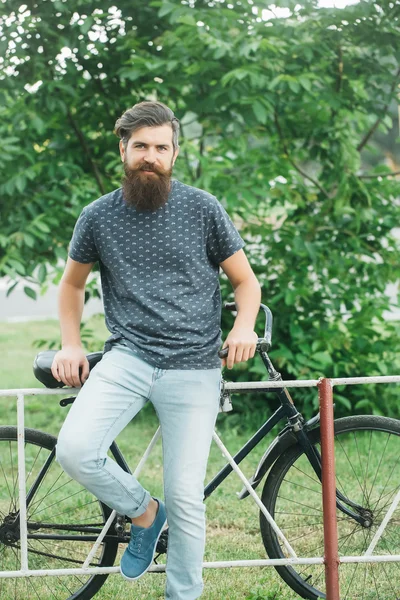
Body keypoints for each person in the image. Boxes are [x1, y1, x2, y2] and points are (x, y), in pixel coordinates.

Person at [52, 101, 261, 600]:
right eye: (140, 146)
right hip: (128, 357)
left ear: (174, 154)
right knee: (76, 450)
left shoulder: (203, 208)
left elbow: (245, 282)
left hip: (194, 365)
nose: (150, 156)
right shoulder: (98, 216)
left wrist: (244, 327)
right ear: (123, 149)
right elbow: (71, 286)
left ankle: (182, 595)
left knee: (187, 495)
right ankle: (145, 513)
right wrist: (70, 342)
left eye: (160, 148)